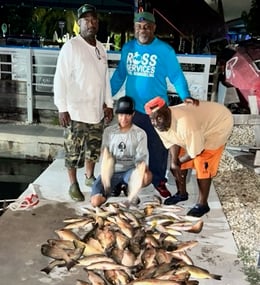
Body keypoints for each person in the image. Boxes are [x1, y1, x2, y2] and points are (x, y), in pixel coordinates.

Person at [110, 11, 198, 198]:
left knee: (158, 148)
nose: (143, 30)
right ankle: (127, 179)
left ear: (154, 29)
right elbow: (119, 75)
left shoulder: (165, 51)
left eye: (147, 27)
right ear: (134, 29)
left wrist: (186, 96)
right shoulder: (128, 48)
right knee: (129, 147)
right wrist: (105, 97)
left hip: (157, 110)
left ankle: (158, 180)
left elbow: (176, 76)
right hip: (132, 109)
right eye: (139, 27)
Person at [53, 3, 113, 202]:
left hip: (96, 110)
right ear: (79, 23)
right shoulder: (71, 46)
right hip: (76, 111)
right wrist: (62, 108)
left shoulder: (101, 48)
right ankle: (73, 184)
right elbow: (60, 78)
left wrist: (109, 104)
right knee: (73, 150)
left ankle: (89, 177)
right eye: (86, 20)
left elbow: (105, 79)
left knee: (93, 148)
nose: (91, 23)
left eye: (94, 19)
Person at [145, 97, 234, 217]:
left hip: (219, 124)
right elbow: (172, 141)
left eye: (158, 118)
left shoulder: (185, 123)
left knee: (202, 162)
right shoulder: (159, 123)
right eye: (152, 120)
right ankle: (182, 194)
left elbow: (196, 151)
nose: (155, 123)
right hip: (197, 126)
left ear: (167, 111)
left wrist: (178, 162)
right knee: (177, 160)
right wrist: (174, 162)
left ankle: (203, 204)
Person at [90, 96, 152, 207]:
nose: (124, 118)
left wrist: (141, 168)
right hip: (112, 171)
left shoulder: (140, 133)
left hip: (130, 171)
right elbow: (104, 155)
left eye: (127, 114)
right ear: (117, 115)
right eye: (121, 115)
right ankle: (114, 187)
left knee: (147, 176)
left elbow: (142, 157)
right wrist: (106, 177)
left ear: (133, 114)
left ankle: (129, 188)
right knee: (95, 202)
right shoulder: (109, 131)